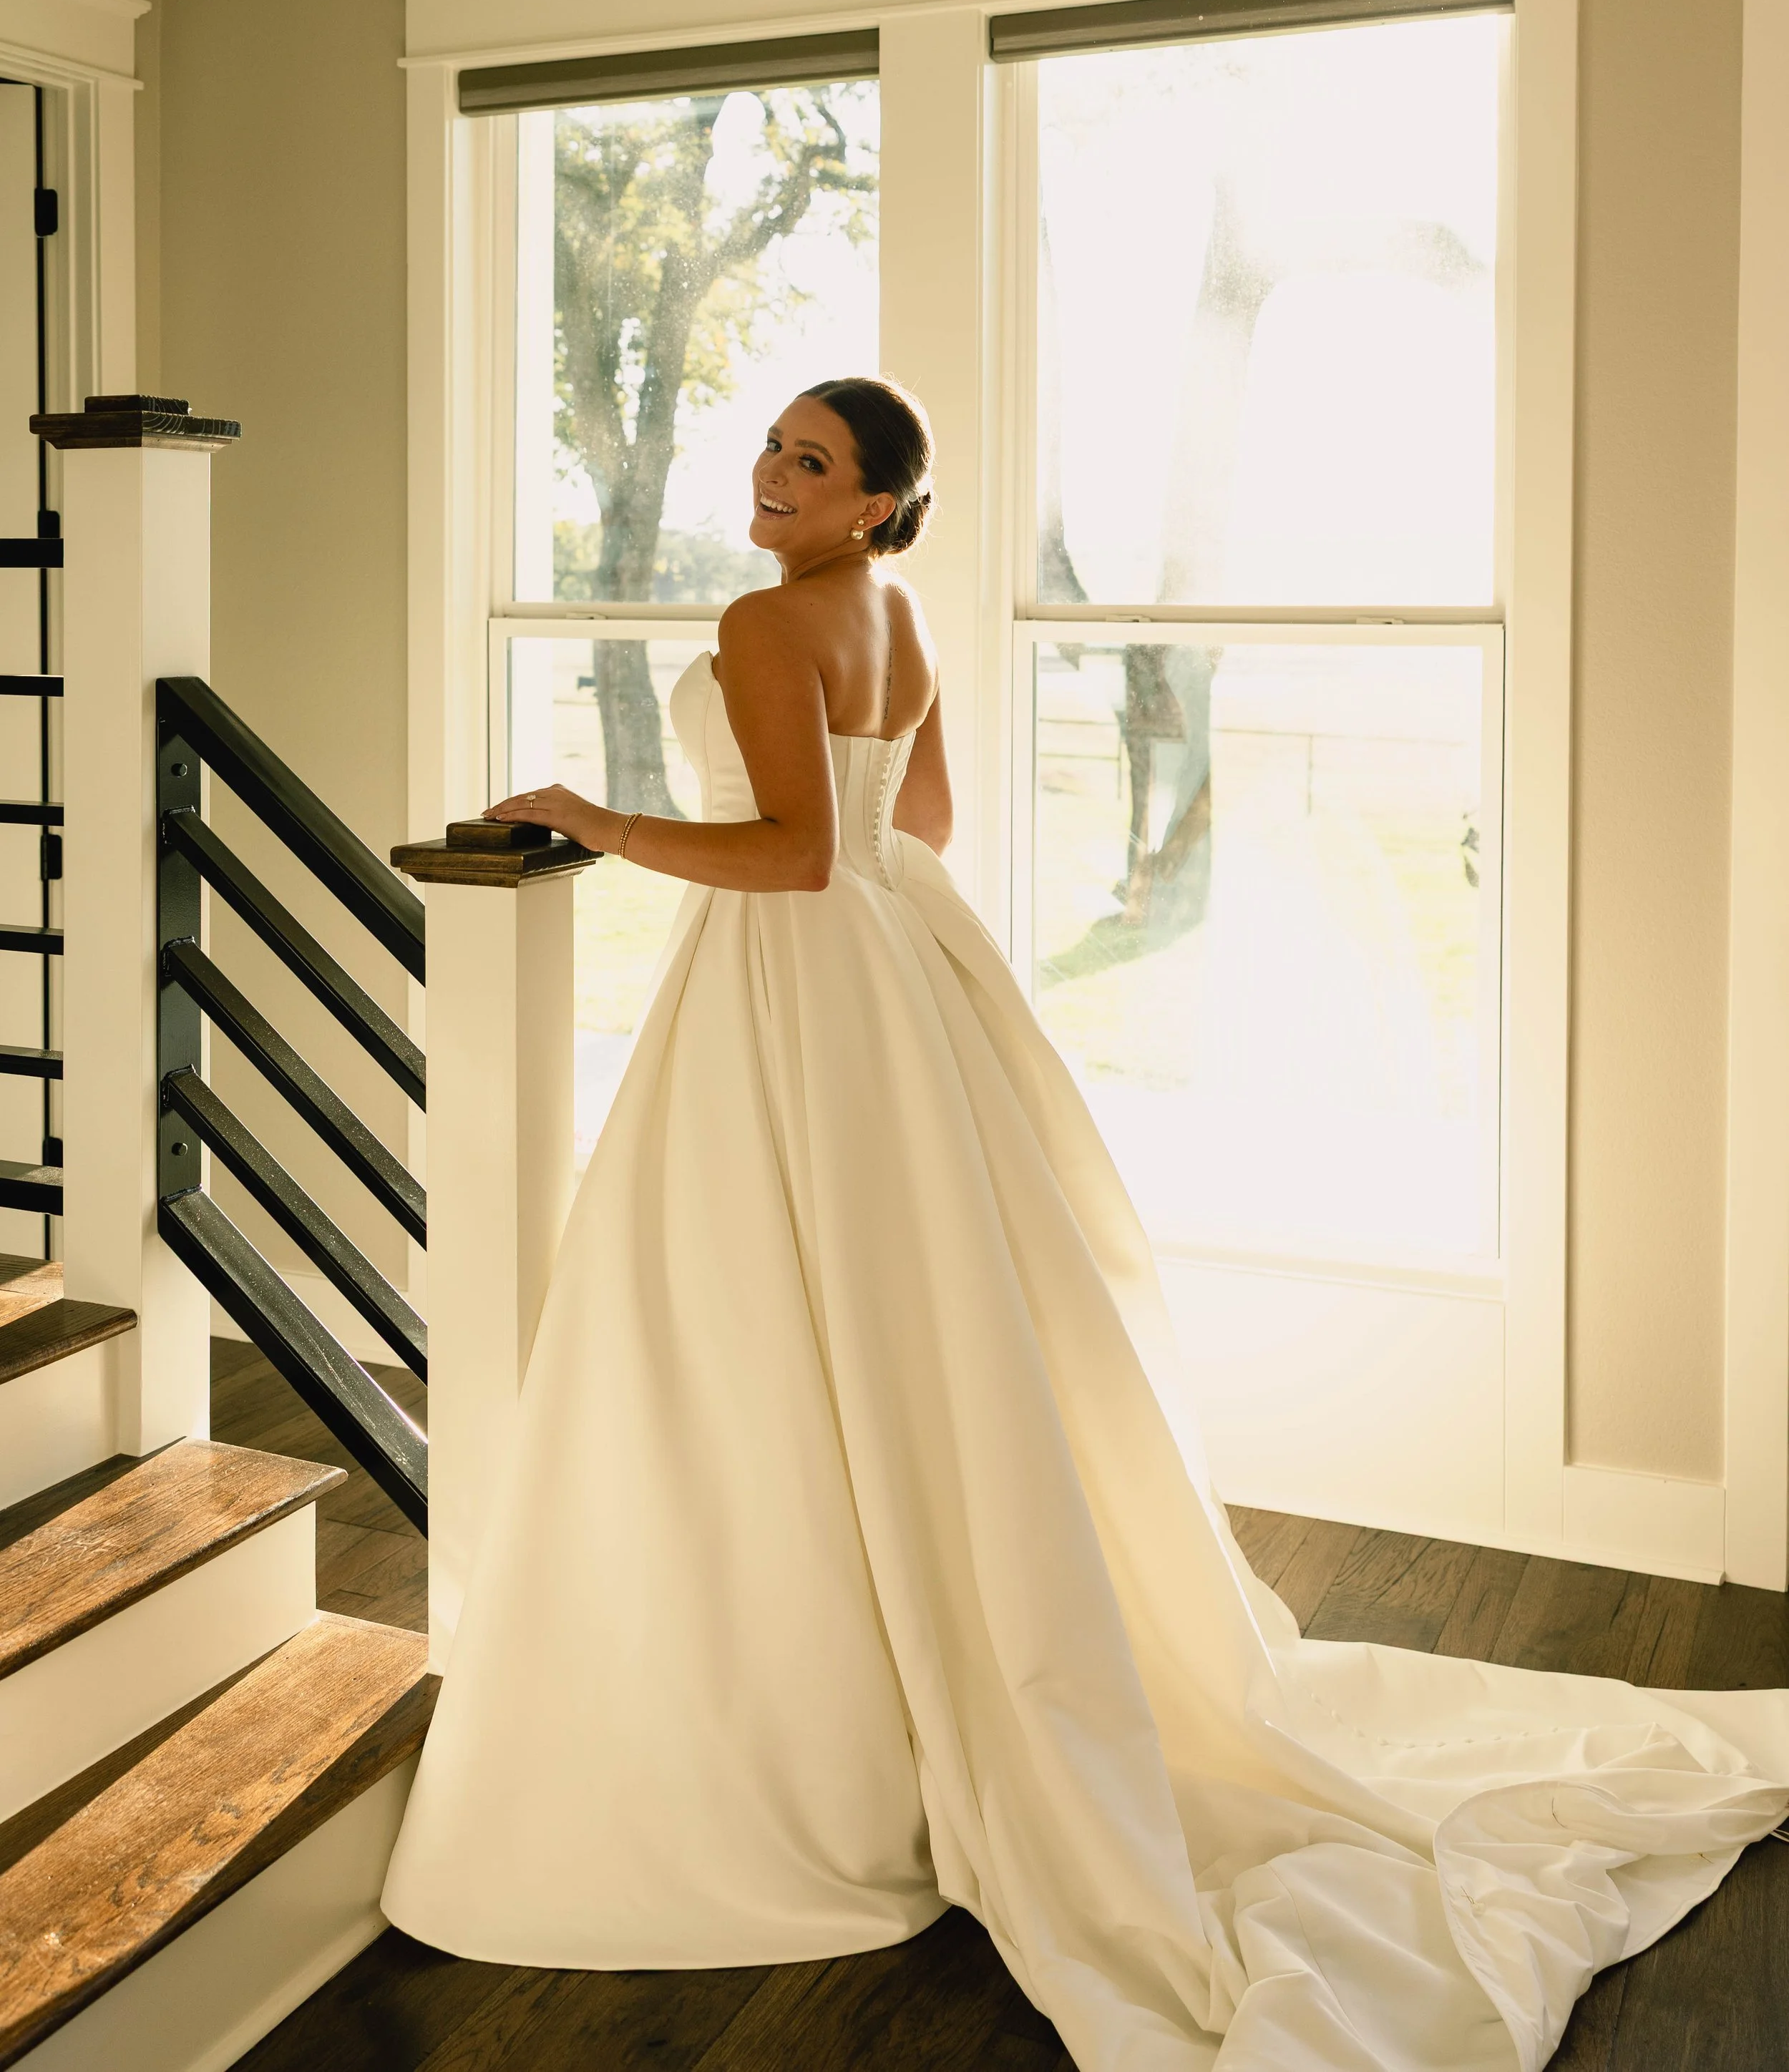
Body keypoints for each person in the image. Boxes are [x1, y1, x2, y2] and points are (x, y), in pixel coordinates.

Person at [384, 374, 1789, 2071]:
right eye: (770, 446)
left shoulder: (766, 623)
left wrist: (595, 821)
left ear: (872, 501)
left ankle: (786, 1708)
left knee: (746, 1328)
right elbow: (916, 828)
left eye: (809, 461)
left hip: (787, 991)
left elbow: (799, 858)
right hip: (892, 985)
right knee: (896, 1335)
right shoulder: (894, 613)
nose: (770, 472)